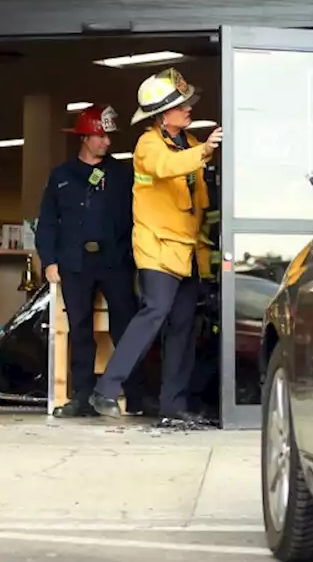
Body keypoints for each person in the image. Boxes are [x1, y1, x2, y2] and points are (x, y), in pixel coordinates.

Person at [90, 69, 223, 428]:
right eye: (181, 106)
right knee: (154, 313)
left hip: (188, 250)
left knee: (182, 326)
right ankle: (106, 388)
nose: (189, 108)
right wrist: (205, 151)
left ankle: (172, 404)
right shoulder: (149, 145)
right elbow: (167, 168)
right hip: (158, 247)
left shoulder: (190, 142)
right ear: (163, 115)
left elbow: (201, 198)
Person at [36, 104, 152, 417]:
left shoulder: (122, 174)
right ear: (84, 137)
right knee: (81, 330)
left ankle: (137, 396)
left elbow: (139, 216)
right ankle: (82, 397)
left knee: (126, 327)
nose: (107, 142)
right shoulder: (62, 176)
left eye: (108, 136)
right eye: (100, 136)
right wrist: (49, 260)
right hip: (75, 263)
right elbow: (47, 222)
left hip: (116, 261)